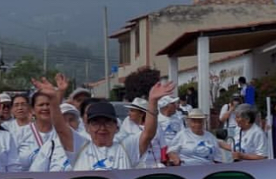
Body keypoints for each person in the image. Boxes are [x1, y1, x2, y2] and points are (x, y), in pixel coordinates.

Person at [35, 74, 174, 172]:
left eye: (107, 123)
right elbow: (60, 128)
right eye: (96, 123)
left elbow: (148, 133)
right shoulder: (80, 147)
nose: (102, 128)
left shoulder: (126, 148)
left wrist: (153, 102)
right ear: (87, 127)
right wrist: (53, 100)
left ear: (116, 126)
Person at [13, 90, 58, 171]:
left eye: (48, 104)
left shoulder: (61, 133)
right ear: (32, 109)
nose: (45, 108)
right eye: (41, 105)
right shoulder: (20, 133)